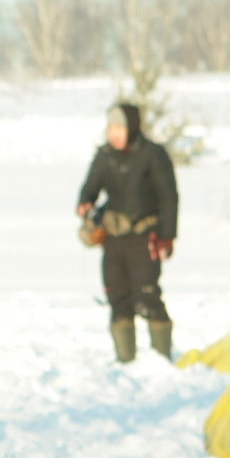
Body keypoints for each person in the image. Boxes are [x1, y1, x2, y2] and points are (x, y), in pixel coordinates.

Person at [76, 101, 179, 362]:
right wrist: (85, 203)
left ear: (131, 128)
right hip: (114, 238)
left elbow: (169, 197)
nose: (114, 133)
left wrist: (167, 236)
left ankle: (162, 360)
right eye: (111, 128)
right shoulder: (105, 156)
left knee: (147, 294)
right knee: (117, 296)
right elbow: (89, 188)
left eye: (120, 128)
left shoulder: (153, 154)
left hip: (145, 236)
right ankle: (126, 362)